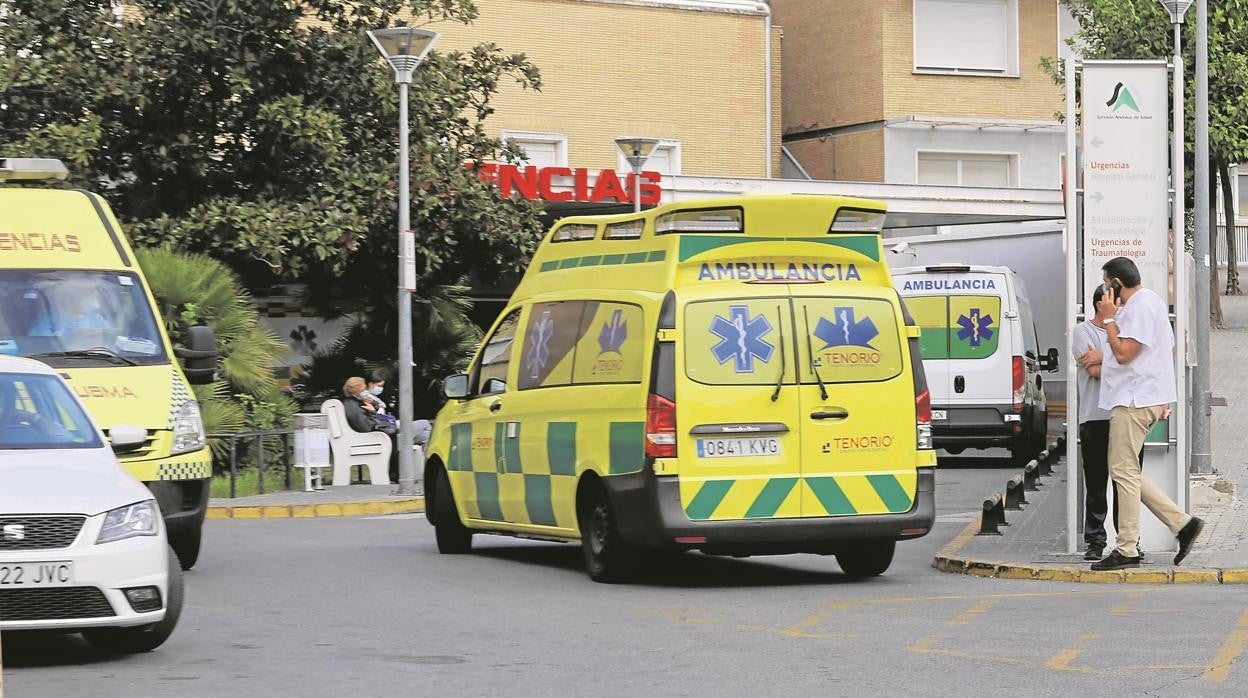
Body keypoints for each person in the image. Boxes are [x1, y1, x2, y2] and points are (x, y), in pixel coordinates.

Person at [1086, 257, 1203, 571]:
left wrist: (1109, 321)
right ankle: (1182, 524)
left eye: (1107, 285)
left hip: (1133, 400)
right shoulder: (1150, 303)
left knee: (1123, 472)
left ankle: (1126, 548)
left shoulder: (1138, 307)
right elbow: (1165, 350)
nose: (1106, 294)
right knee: (1126, 471)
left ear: (1117, 284)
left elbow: (1124, 354)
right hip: (1143, 397)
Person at [1073, 284, 1116, 561]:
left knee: (1125, 483)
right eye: (1113, 298)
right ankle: (1095, 541)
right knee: (1096, 482)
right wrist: (1118, 362)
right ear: (1101, 303)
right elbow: (1093, 371)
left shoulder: (1121, 329)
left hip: (1122, 416)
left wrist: (1104, 357)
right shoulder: (1083, 332)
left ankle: (1128, 539)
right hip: (1094, 416)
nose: (1118, 303)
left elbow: (1133, 362)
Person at [341, 376, 398, 485]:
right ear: (357, 390)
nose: (366, 391)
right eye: (364, 389)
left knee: (394, 434)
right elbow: (366, 427)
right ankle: (393, 474)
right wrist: (372, 413)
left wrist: (374, 405)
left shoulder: (354, 403)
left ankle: (395, 474)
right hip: (362, 438)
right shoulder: (353, 406)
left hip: (360, 436)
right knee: (393, 436)